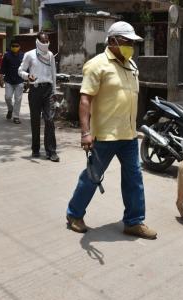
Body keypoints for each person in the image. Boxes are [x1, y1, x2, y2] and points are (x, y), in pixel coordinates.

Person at [66, 21, 157, 239]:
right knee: (92, 177)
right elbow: (85, 100)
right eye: (127, 42)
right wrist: (85, 132)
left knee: (134, 178)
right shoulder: (96, 65)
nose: (131, 46)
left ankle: (134, 222)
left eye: (132, 43)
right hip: (104, 135)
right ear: (113, 40)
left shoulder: (131, 65)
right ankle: (74, 214)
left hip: (128, 134)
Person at [18, 31, 59, 162]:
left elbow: (53, 73)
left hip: (48, 90)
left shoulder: (51, 55)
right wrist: (27, 76)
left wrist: (54, 91)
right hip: (35, 90)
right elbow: (20, 70)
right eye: (43, 41)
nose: (46, 43)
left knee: (49, 120)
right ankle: (35, 149)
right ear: (37, 41)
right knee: (35, 121)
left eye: (47, 41)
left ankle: (51, 151)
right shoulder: (29, 55)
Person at [0, 40, 24, 124]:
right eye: (13, 46)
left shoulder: (23, 55)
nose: (15, 47)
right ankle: (10, 109)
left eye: (17, 46)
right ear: (11, 47)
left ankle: (16, 116)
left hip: (19, 80)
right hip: (9, 80)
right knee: (8, 97)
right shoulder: (7, 55)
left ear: (19, 47)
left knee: (18, 99)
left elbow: (26, 68)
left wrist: (28, 79)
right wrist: (1, 78)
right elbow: (3, 67)